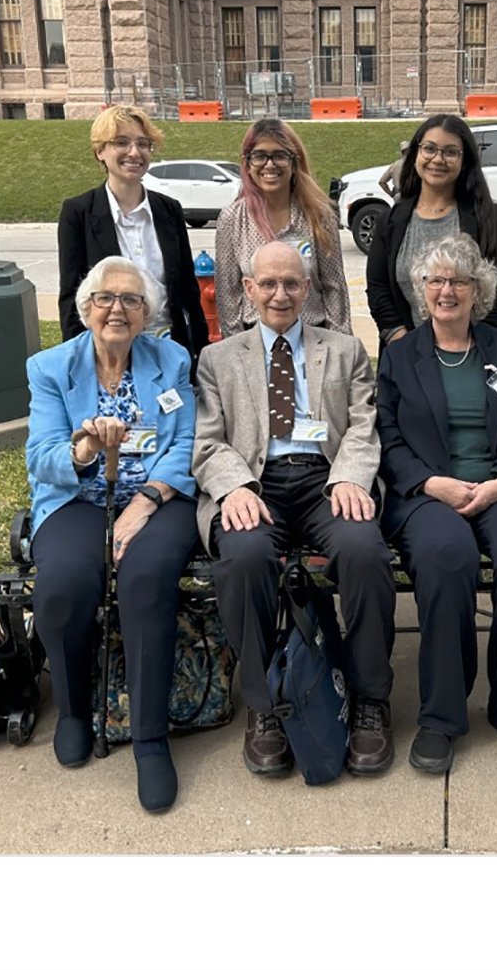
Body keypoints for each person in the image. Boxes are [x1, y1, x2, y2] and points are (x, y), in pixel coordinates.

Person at [192, 240, 396, 778]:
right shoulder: (217, 359)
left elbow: (363, 424)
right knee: (243, 559)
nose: (280, 294)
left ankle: (371, 698)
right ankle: (265, 707)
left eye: (291, 284)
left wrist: (350, 477)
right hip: (256, 486)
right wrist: (234, 488)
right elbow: (208, 442)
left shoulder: (345, 349)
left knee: (364, 550)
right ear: (249, 290)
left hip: (324, 480)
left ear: (307, 289)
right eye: (269, 284)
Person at [376, 233, 497, 774]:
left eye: (458, 280)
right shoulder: (402, 355)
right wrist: (431, 484)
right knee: (446, 558)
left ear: (478, 289)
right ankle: (442, 716)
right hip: (429, 494)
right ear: (422, 289)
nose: (446, 290)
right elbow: (385, 436)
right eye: (435, 280)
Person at [24, 257, 199, 812]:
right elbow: (39, 456)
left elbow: (188, 442)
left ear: (146, 313)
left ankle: (149, 739)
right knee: (63, 586)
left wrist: (146, 501)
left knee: (145, 580)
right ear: (86, 308)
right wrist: (83, 451)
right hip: (78, 497)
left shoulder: (170, 359)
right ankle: (75, 708)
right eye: (105, 298)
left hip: (157, 498)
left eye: (130, 300)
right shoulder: (51, 367)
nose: (117, 309)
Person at [57, 103, 209, 373]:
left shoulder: (169, 210)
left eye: (143, 143)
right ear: (100, 151)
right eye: (121, 143)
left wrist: (201, 350)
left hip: (169, 348)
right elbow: (71, 295)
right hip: (110, 351)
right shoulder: (78, 212)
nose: (134, 152)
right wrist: (81, 362)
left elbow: (187, 288)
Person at [366, 113, 497, 350]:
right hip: (408, 354)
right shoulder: (391, 221)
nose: (438, 159)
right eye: (429, 149)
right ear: (416, 153)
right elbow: (378, 289)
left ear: (464, 160)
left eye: (450, 152)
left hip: (472, 354)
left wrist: (467, 347)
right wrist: (406, 345)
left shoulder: (486, 217)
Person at [214, 117, 350, 336]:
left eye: (279, 155)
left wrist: (340, 346)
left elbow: (334, 287)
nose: (270, 164)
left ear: (294, 163)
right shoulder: (232, 219)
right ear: (247, 164)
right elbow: (227, 293)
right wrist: (237, 350)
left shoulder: (319, 215)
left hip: (312, 336)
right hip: (256, 338)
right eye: (259, 156)